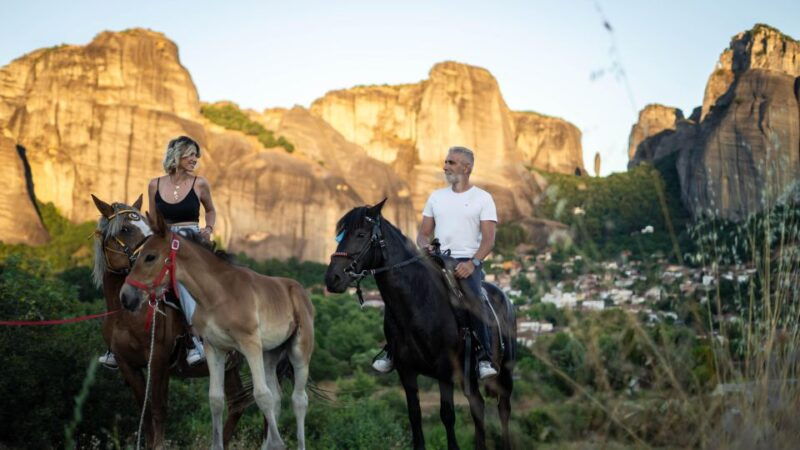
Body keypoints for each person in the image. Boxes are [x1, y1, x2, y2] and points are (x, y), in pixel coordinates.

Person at [372, 146, 499, 380]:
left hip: (466, 262)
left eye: (451, 162)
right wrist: (424, 244)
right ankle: (391, 350)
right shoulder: (436, 197)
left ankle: (484, 357)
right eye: (446, 162)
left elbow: (489, 240)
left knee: (473, 297)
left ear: (466, 167)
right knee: (401, 292)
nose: (445, 167)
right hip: (437, 260)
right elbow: (423, 234)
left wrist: (472, 263)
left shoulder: (483, 198)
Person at [99, 136, 217, 367]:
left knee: (179, 280)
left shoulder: (200, 184)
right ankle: (116, 344)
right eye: (190, 154)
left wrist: (208, 229)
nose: (195, 159)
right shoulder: (155, 184)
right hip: (162, 239)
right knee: (134, 275)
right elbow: (153, 219)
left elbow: (210, 210)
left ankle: (194, 341)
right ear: (176, 155)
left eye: (196, 155)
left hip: (190, 241)